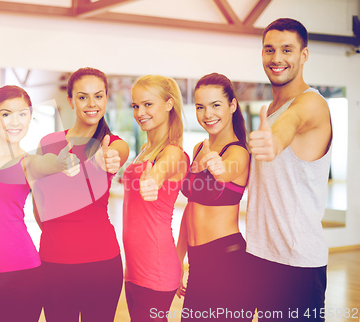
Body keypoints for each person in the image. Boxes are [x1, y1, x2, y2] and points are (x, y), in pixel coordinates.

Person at [0, 85, 79, 322]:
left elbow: (45, 164)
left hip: (24, 271)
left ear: (30, 117)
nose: (15, 122)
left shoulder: (28, 162)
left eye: (23, 114)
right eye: (6, 113)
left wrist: (61, 163)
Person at [247, 18, 332, 321]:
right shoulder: (270, 110)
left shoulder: (312, 104)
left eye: (287, 49)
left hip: (297, 263)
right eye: (269, 50)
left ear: (303, 55)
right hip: (262, 255)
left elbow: (289, 124)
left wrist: (275, 141)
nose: (277, 58)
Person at [32, 67, 129, 322]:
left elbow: (116, 154)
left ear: (106, 98)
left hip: (101, 264)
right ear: (71, 100)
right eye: (83, 96)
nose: (91, 103)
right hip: (54, 263)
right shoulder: (49, 143)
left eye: (98, 96)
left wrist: (104, 157)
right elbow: (38, 201)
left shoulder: (113, 143)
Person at [176, 73, 251, 320]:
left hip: (227, 262)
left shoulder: (238, 152)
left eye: (215, 105)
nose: (207, 114)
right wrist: (179, 259)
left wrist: (220, 169)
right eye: (200, 107)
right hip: (198, 263)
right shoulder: (200, 148)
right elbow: (191, 207)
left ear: (232, 105)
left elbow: (229, 170)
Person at [122, 75, 189, 322]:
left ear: (169, 104)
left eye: (148, 104)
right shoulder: (145, 150)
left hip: (155, 269)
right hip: (135, 268)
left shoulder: (171, 152)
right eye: (136, 106)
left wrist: (152, 181)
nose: (140, 112)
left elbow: (160, 171)